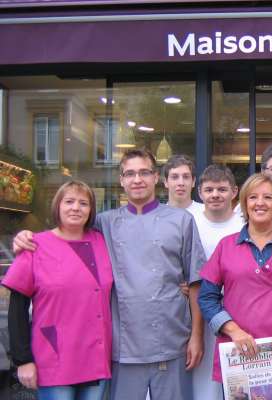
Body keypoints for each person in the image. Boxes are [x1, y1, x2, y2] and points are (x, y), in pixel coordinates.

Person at [13, 149, 206, 400]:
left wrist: (197, 338)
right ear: (121, 180)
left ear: (156, 177)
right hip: (121, 347)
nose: (137, 179)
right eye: (130, 173)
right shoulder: (103, 223)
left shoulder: (182, 221)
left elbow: (196, 283)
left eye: (144, 172)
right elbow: (67, 233)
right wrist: (28, 238)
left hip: (171, 341)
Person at [198, 173, 272, 385]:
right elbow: (207, 298)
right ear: (244, 204)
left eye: (268, 197)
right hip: (238, 354)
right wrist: (234, 331)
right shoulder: (226, 246)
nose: (260, 203)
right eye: (253, 197)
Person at [3, 180, 113, 399]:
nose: (76, 208)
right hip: (55, 358)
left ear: (91, 210)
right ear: (57, 206)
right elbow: (17, 309)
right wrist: (22, 360)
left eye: (83, 203)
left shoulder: (102, 241)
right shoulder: (35, 245)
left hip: (96, 358)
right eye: (69, 201)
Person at [190, 164, 244, 400]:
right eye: (209, 189)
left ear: (234, 192)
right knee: (201, 379)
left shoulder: (245, 224)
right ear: (200, 192)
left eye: (221, 189)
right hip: (197, 314)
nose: (215, 195)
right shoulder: (188, 222)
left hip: (236, 315)